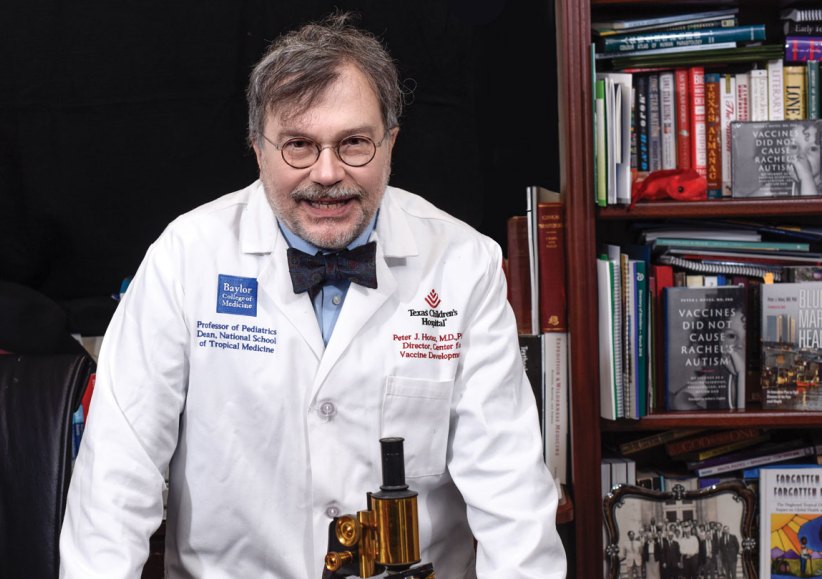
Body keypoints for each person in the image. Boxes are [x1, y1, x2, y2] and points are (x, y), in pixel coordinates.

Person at [58, 12, 566, 579]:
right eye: (298, 144)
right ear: (257, 147)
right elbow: (114, 483)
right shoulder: (185, 257)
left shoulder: (464, 264)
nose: (326, 173)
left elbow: (512, 497)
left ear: (391, 143)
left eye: (354, 143)